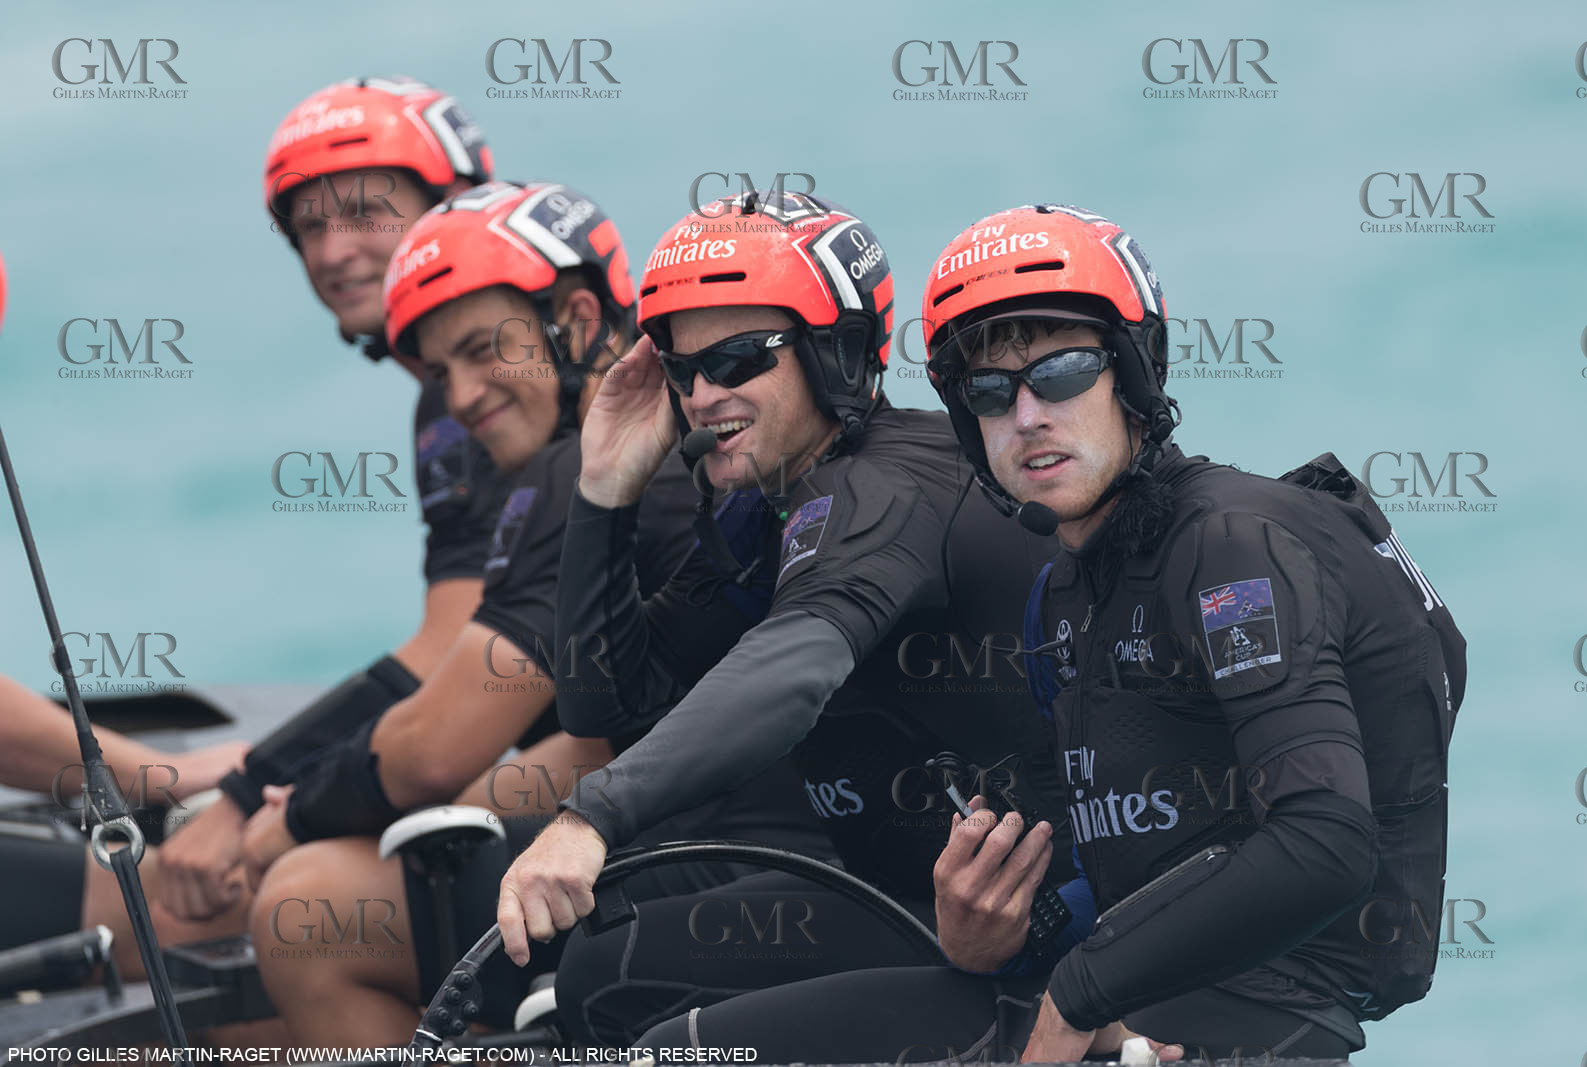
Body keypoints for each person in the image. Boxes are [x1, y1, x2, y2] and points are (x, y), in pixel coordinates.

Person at [494, 192, 1093, 1061]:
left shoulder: (881, 487)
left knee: (671, 1043)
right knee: (605, 969)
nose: (704, 393)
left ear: (834, 354)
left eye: (739, 358)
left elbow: (793, 667)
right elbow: (607, 700)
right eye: (683, 367)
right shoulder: (762, 513)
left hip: (1055, 936)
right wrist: (605, 488)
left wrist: (591, 819)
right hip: (914, 902)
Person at [243, 181, 832, 1048]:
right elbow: (604, 736)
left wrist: (287, 813)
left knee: (305, 908)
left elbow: (433, 747)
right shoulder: (696, 439)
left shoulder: (579, 471)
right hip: (794, 843)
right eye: (442, 372)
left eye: (487, 351)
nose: (464, 395)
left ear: (582, 320)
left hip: (735, 860)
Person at [919, 202, 1467, 1059]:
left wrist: (1076, 992)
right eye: (990, 391)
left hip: (1272, 1012)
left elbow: (1325, 840)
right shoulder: (1059, 598)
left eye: (1061, 372)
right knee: (688, 1043)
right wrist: (995, 931)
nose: (1025, 416)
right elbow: (1112, 871)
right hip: (1145, 1000)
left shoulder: (1232, 547)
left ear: (1133, 375)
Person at [0, 75, 506, 979]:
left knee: (234, 906)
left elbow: (458, 652)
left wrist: (248, 786)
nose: (334, 251)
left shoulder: (458, 401)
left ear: (457, 205)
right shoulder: (461, 398)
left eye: (363, 214)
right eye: (308, 227)